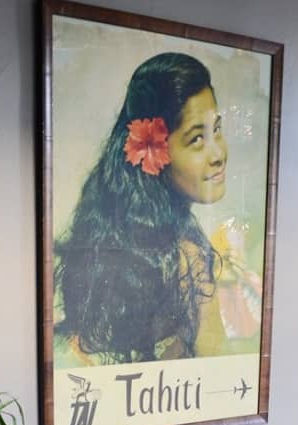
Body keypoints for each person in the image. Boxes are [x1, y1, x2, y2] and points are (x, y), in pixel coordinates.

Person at [54, 52, 260, 366]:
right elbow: (214, 373)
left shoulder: (113, 234)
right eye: (197, 139)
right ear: (153, 153)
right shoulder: (187, 258)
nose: (218, 154)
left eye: (216, 130)